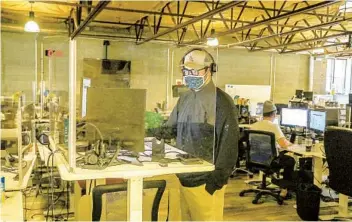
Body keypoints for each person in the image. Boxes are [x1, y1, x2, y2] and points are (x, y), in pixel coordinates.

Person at [165, 48, 239, 221]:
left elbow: (229, 146)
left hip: (205, 182)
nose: (189, 74)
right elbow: (170, 129)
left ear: (209, 70)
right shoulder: (185, 98)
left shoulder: (221, 102)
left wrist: (215, 183)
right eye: (186, 70)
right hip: (183, 177)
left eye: (194, 70)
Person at [251, 100, 296, 197]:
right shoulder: (274, 126)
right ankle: (285, 188)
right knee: (290, 160)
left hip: (256, 159)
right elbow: (284, 144)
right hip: (270, 161)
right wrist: (293, 144)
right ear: (274, 114)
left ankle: (279, 182)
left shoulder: (254, 126)